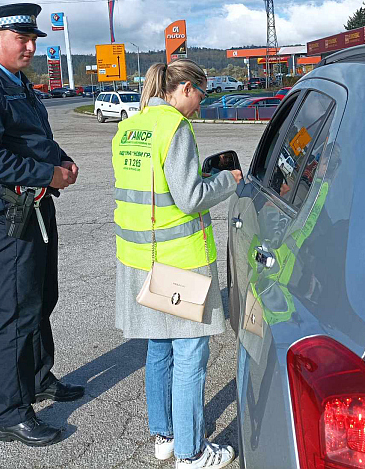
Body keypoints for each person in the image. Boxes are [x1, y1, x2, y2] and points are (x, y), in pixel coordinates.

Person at [0, 3, 84, 447]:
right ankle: (11, 412)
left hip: (37, 206)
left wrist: (59, 159)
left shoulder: (16, 84)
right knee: (14, 312)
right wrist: (47, 174)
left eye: (33, 40)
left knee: (42, 298)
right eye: (21, 40)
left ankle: (40, 379)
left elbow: (35, 136)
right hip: (8, 215)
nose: (29, 47)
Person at [112, 59, 242, 468]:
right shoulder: (176, 129)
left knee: (159, 347)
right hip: (178, 261)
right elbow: (189, 198)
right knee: (189, 354)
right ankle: (192, 453)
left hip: (139, 256)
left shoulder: (130, 127)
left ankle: (164, 438)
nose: (202, 103)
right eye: (201, 94)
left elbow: (157, 187)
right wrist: (227, 181)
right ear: (184, 88)